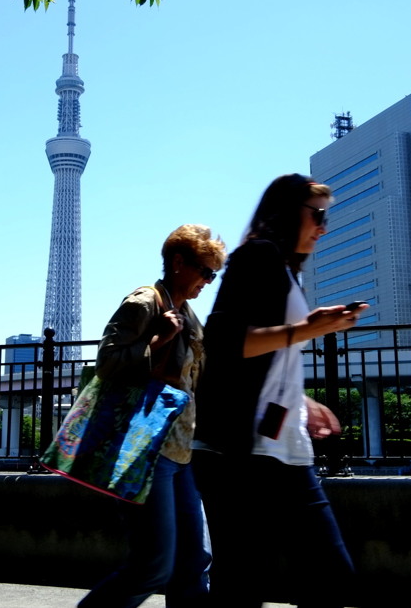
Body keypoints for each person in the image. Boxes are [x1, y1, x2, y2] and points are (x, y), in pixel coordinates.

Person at [192, 174, 366, 608]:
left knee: (318, 582)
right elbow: (225, 340)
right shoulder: (258, 255)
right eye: (318, 214)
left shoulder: (287, 271)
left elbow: (268, 359)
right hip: (242, 451)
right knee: (252, 584)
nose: (323, 227)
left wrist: (302, 400)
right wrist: (308, 328)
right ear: (289, 212)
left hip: (283, 447)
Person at [79, 224, 227, 608]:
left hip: (180, 452)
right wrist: (157, 339)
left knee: (195, 562)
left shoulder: (189, 314)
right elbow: (107, 364)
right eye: (205, 271)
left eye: (214, 274)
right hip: (144, 449)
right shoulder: (145, 302)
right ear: (178, 263)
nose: (208, 282)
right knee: (154, 566)